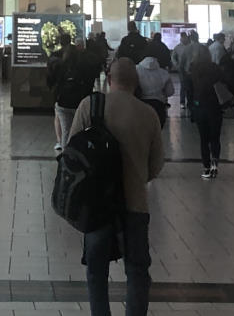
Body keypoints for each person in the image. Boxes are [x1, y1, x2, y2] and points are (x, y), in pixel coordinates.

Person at [66, 58, 163, 316]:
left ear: (109, 79)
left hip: (96, 206)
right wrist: (136, 178)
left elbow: (70, 152)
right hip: (135, 205)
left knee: (97, 272)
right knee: (137, 271)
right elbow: (156, 166)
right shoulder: (148, 114)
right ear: (136, 82)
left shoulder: (90, 105)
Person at [52, 38, 101, 150]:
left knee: (66, 130)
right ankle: (79, 154)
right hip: (79, 102)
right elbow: (90, 80)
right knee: (80, 130)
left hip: (63, 103)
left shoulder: (60, 66)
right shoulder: (84, 65)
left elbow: (54, 83)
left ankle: (66, 156)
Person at [188, 53, 226, 179]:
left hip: (200, 108)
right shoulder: (216, 70)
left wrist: (192, 109)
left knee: (204, 140)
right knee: (215, 138)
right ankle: (215, 165)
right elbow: (225, 84)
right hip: (215, 108)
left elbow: (190, 92)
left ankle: (206, 167)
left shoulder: (194, 72)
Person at [134, 55, 173, 126]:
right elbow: (170, 92)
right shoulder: (163, 73)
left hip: (140, 103)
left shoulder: (135, 69)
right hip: (159, 105)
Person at [171, 30, 206, 109]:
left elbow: (183, 60)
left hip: (188, 71)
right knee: (187, 87)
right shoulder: (202, 47)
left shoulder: (189, 48)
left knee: (190, 88)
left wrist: (181, 67)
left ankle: (192, 104)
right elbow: (174, 57)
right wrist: (178, 66)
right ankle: (188, 102)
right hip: (190, 71)